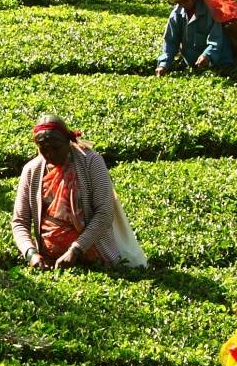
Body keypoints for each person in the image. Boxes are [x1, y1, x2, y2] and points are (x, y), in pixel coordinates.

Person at [11, 114, 147, 270]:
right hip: (49, 260)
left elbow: (104, 213)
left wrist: (75, 250)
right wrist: (31, 253)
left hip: (95, 256)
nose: (50, 154)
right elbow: (20, 221)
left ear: (68, 141)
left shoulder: (91, 162)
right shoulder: (31, 171)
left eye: (56, 148)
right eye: (44, 149)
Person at [156, 0, 234, 76]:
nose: (183, 4)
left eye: (185, 0)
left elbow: (216, 40)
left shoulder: (211, 11)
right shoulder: (176, 14)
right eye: (179, 2)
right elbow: (171, 41)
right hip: (193, 64)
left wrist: (207, 55)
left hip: (220, 63)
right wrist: (163, 65)